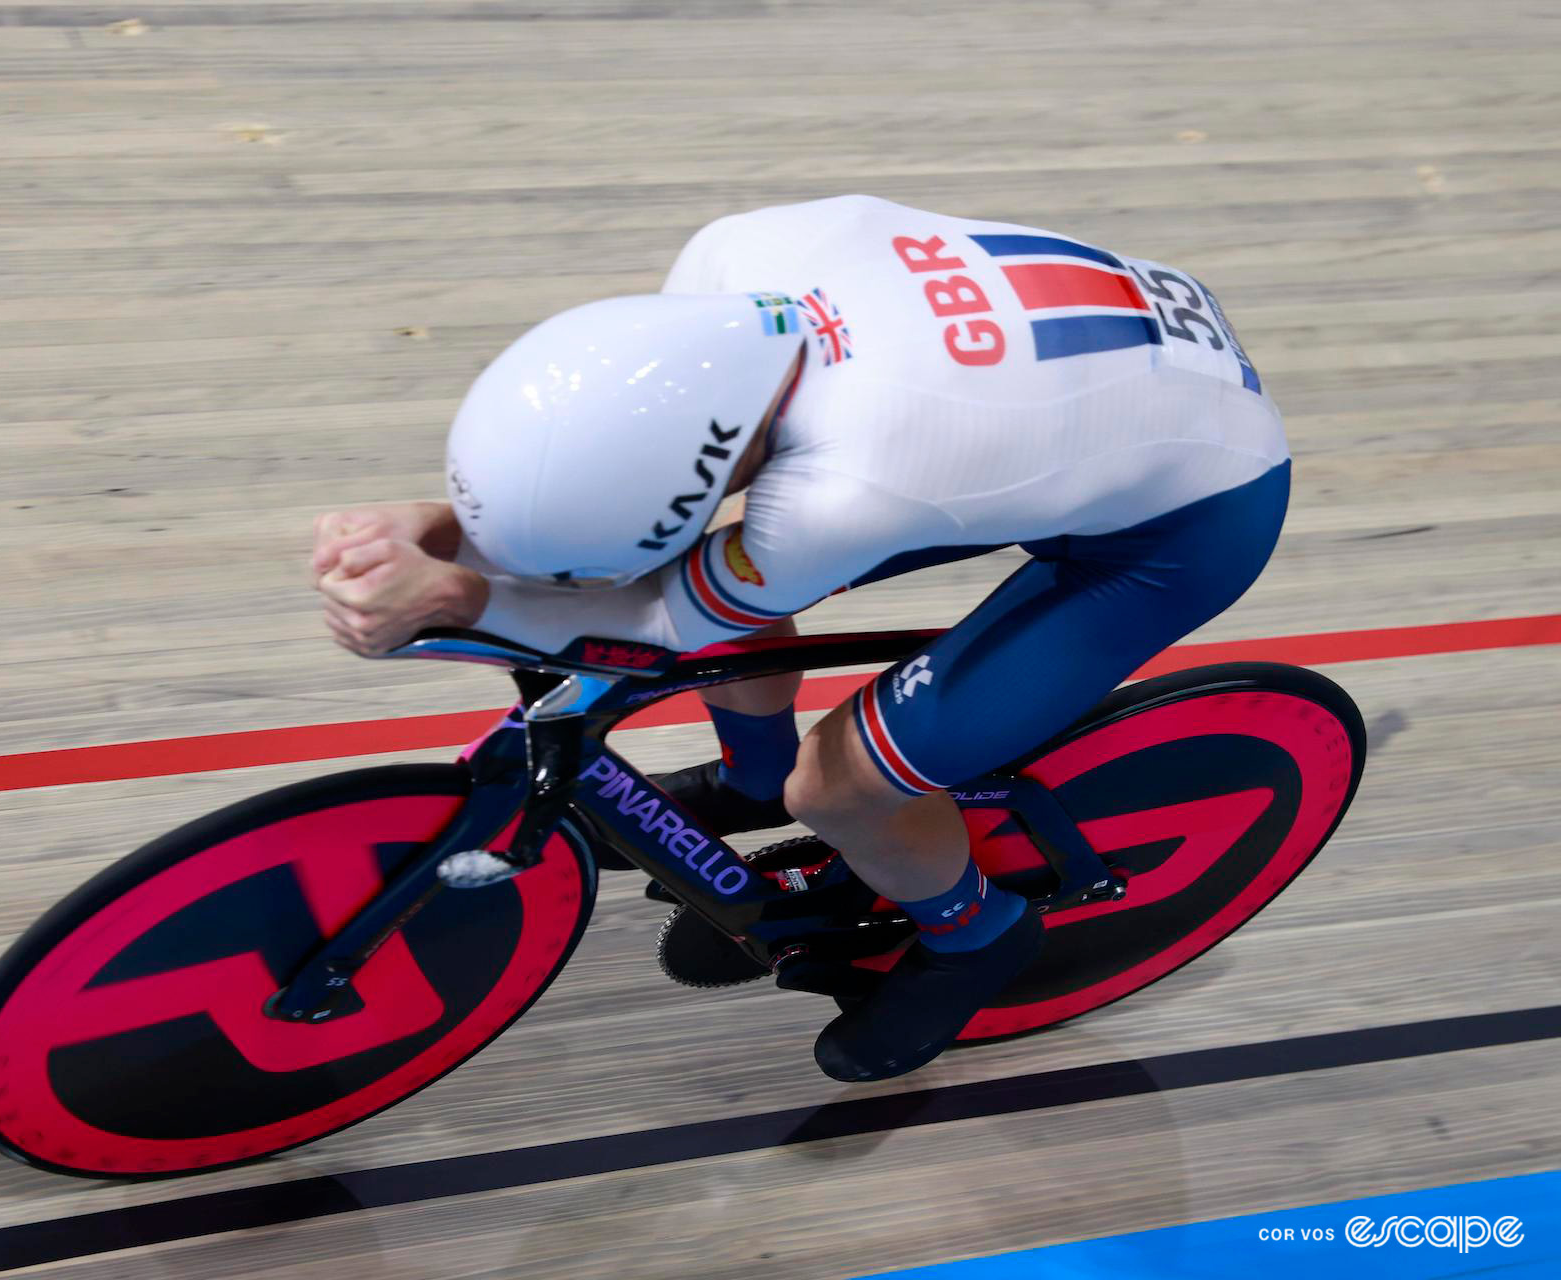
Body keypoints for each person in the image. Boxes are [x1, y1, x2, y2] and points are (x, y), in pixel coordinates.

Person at [309, 194, 1289, 1082]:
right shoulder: (727, 263)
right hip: (1077, 396)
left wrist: (454, 592)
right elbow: (644, 493)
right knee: (727, 567)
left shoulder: (853, 484)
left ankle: (976, 931)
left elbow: (660, 620)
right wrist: (434, 527)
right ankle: (748, 775)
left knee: (841, 781)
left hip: (1192, 512)